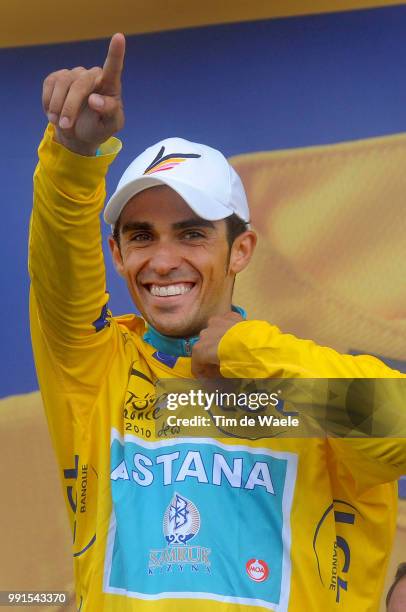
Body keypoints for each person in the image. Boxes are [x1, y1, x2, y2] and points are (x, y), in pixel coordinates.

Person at [29, 33, 406, 612]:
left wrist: (246, 348)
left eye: (192, 233)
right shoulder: (95, 370)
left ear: (242, 250)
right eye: (141, 236)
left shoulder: (302, 379)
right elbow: (59, 281)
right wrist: (74, 160)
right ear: (117, 254)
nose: (162, 259)